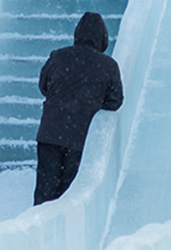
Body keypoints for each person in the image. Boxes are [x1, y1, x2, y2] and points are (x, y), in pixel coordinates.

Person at [34, 11, 124, 206]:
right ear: (103, 38)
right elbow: (115, 101)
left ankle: (38, 229)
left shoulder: (58, 56)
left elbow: (43, 86)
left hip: (49, 134)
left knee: (45, 192)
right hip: (79, 137)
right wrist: (92, 101)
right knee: (69, 194)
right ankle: (64, 234)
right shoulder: (108, 66)